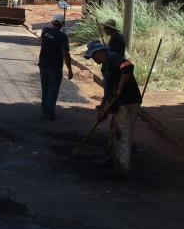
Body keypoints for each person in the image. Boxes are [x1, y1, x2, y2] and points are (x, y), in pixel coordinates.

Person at [85, 40, 143, 175]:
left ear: (99, 52)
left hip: (128, 101)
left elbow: (128, 67)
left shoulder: (113, 57)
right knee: (113, 132)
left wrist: (121, 86)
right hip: (118, 103)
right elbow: (108, 90)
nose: (93, 59)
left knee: (123, 134)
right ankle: (113, 159)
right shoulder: (105, 67)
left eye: (93, 56)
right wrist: (105, 110)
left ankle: (123, 169)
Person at [38, 16, 74, 120]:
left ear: (52, 22)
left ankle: (45, 112)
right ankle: (50, 113)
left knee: (45, 89)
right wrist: (70, 70)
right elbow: (65, 54)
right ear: (62, 25)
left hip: (43, 65)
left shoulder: (45, 31)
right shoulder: (63, 37)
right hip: (55, 67)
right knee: (53, 90)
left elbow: (43, 41)